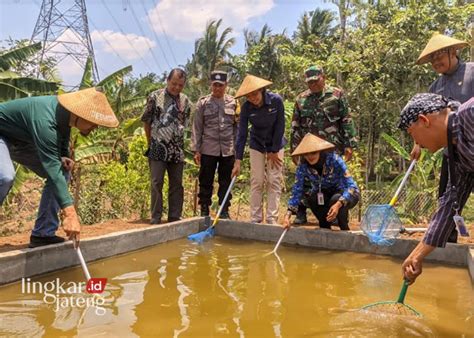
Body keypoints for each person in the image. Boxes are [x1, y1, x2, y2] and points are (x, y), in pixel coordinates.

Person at [0, 87, 119, 247]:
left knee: (64, 171)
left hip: (21, 140)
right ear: (79, 114)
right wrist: (70, 214)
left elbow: (63, 139)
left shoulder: (65, 118)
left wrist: (65, 156)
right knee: (5, 176)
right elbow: (52, 168)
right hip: (4, 135)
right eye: (93, 122)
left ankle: (43, 234)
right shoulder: (45, 120)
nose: (95, 127)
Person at [398, 93, 473, 284]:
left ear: (424, 121)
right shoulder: (456, 155)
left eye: (411, 134)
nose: (416, 143)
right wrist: (417, 255)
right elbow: (449, 206)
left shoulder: (470, 114)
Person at [411, 33, 473, 243]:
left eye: (440, 56)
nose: (436, 62)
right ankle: (448, 239)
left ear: (453, 51)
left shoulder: (472, 72)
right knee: (448, 198)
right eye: (432, 59)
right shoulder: (435, 88)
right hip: (452, 153)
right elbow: (424, 121)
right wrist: (418, 143)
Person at [290, 65, 358, 225]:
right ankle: (300, 212)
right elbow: (295, 125)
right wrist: (294, 150)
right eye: (309, 82)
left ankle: (335, 212)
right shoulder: (301, 100)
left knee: (333, 179)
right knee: (306, 180)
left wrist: (349, 143)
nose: (312, 85)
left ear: (323, 77)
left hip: (331, 147)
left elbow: (346, 119)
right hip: (308, 149)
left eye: (315, 81)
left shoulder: (336, 95)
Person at [232, 75, 286, 224]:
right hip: (257, 144)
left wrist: (274, 151)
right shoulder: (246, 108)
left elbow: (280, 126)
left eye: (254, 94)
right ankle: (255, 219)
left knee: (274, 180)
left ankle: (271, 218)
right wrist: (238, 160)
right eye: (248, 96)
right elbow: (242, 134)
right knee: (257, 181)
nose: (252, 98)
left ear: (262, 90)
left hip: (276, 144)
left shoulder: (276, 101)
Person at [141, 68, 191, 224]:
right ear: (167, 80)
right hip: (157, 146)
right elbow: (146, 122)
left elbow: (185, 124)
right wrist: (151, 142)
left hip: (177, 149)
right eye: (174, 83)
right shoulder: (155, 97)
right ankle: (156, 217)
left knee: (177, 184)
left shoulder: (185, 100)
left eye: (180, 85)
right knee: (157, 183)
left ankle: (174, 217)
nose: (176, 87)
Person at [283, 133, 360, 230]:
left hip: (346, 193)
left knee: (335, 199)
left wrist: (338, 204)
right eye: (306, 154)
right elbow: (297, 191)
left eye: (313, 153)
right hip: (323, 194)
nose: (310, 156)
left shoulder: (335, 159)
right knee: (312, 198)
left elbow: (351, 186)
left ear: (320, 151)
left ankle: (344, 229)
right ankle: (325, 229)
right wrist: (288, 215)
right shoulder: (302, 166)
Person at [191, 70, 239, 219]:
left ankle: (224, 210)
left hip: (228, 149)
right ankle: (204, 209)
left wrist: (238, 153)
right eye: (215, 85)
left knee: (225, 181)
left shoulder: (234, 103)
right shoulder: (203, 103)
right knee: (206, 180)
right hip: (208, 148)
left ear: (226, 85)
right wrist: (196, 150)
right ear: (211, 85)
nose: (217, 88)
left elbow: (238, 128)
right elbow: (197, 127)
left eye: (221, 85)